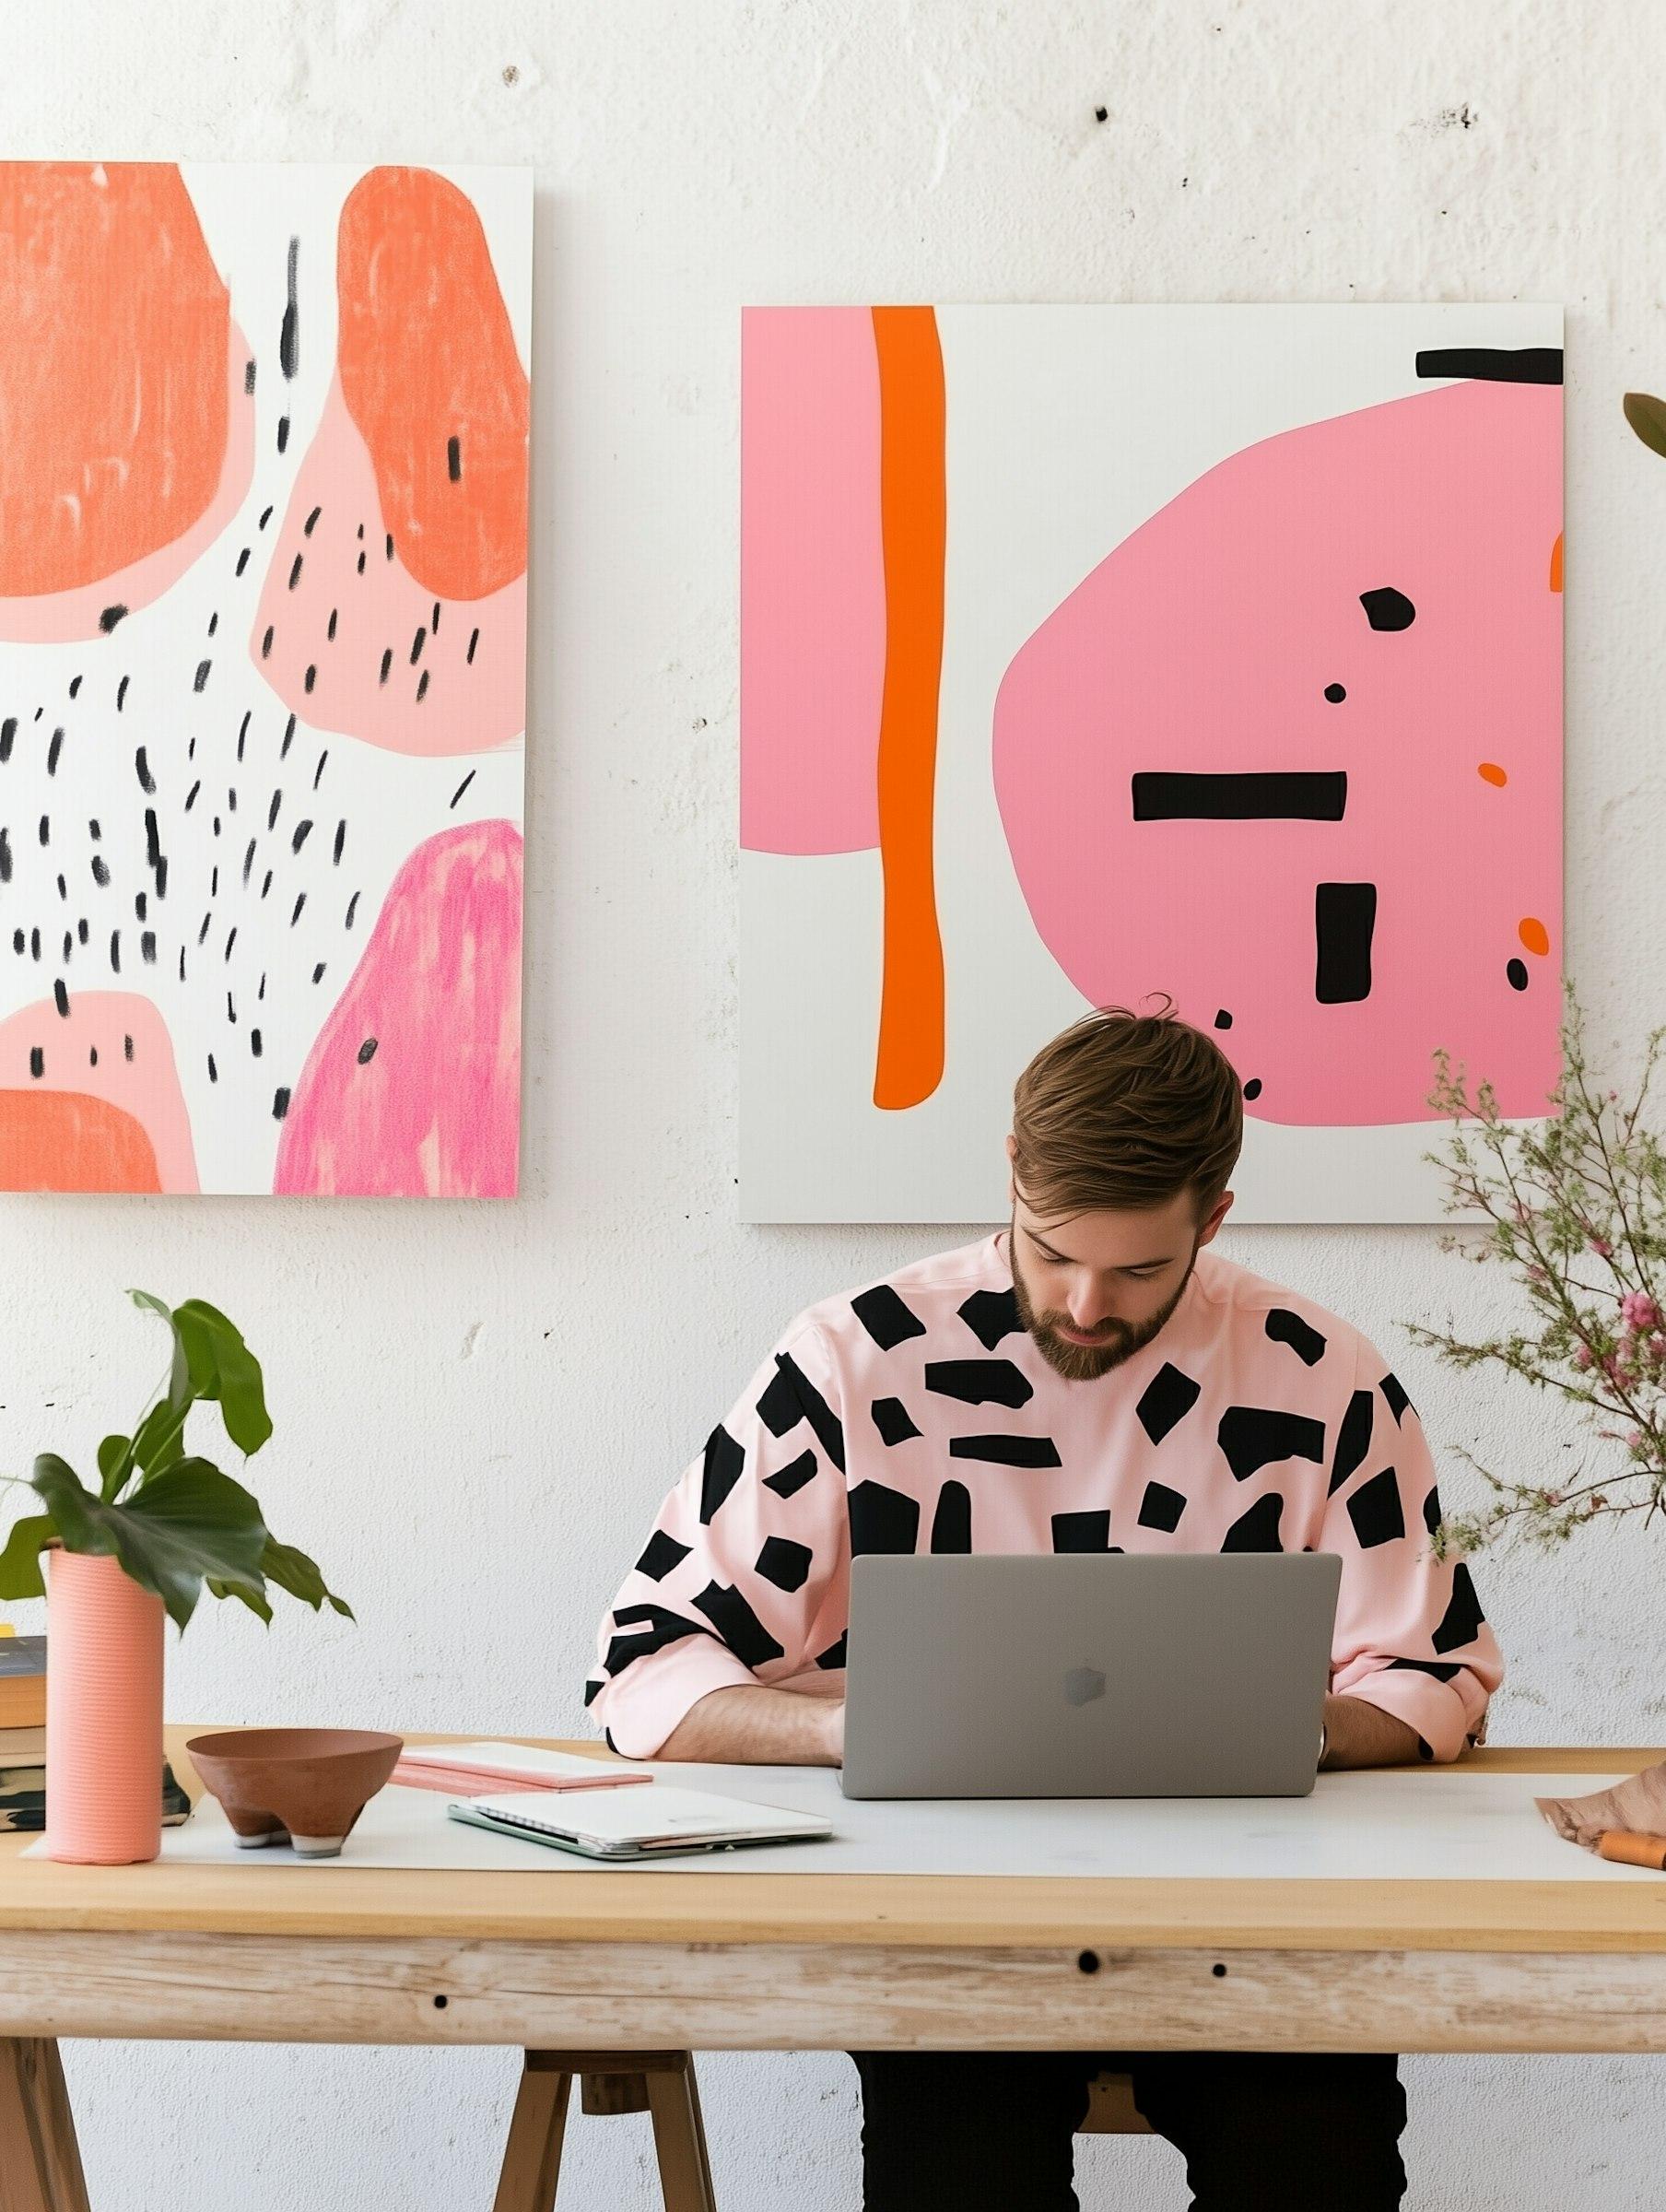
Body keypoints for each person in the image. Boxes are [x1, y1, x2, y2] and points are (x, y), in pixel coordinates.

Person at [589, 1003, 1503, 2211]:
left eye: (1138, 1270)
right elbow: (646, 1665)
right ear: (1012, 1174)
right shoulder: (855, 1362)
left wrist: (1288, 1729)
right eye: (1053, 1251)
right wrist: (840, 1728)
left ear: (1213, 1219)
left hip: (1252, 1914)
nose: (1084, 1304)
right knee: (957, 2172)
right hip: (950, 1918)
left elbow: (1438, 1673)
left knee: (1315, 2159)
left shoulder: (1322, 1378)